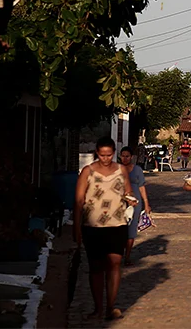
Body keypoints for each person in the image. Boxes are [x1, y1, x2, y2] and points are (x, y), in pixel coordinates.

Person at [74, 137, 137, 321]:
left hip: (117, 224)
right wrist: (76, 228)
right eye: (102, 155)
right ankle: (97, 307)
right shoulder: (88, 171)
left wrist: (130, 198)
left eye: (109, 155)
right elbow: (78, 200)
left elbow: (128, 190)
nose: (106, 158)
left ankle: (111, 305)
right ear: (97, 153)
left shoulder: (121, 170)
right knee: (96, 267)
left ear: (113, 154)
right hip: (92, 226)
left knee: (115, 264)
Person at [119, 147, 151, 266]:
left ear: (131, 157)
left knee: (131, 231)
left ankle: (127, 256)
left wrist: (146, 204)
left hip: (135, 203)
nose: (125, 158)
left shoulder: (137, 170)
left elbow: (142, 187)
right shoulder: (117, 169)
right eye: (123, 156)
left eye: (127, 156)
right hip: (120, 203)